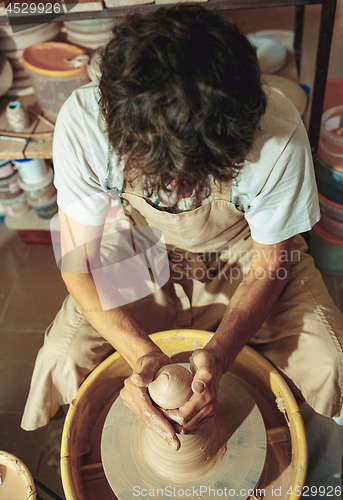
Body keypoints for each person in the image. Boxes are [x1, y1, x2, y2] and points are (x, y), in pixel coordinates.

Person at [22, 4, 343, 494]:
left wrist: (222, 353)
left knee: (331, 365)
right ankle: (85, 461)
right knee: (62, 360)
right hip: (141, 248)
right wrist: (143, 359)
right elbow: (79, 263)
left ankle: (313, 476)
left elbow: (269, 261)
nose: (177, 192)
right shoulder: (87, 122)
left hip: (247, 252)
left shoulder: (276, 134)